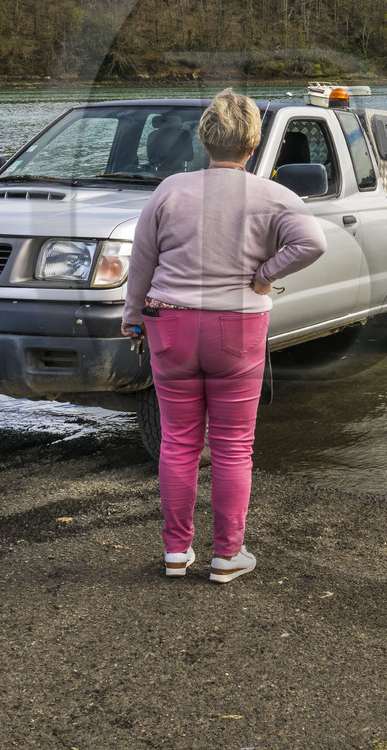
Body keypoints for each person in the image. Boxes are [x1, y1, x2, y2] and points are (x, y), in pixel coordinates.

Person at [123, 89, 327, 583]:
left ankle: (176, 552)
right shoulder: (273, 195)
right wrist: (265, 274)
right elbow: (312, 242)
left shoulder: (170, 190)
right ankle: (226, 556)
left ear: (204, 140)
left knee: (178, 442)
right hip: (236, 326)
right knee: (234, 445)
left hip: (168, 321)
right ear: (253, 145)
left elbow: (142, 261)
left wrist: (133, 317)